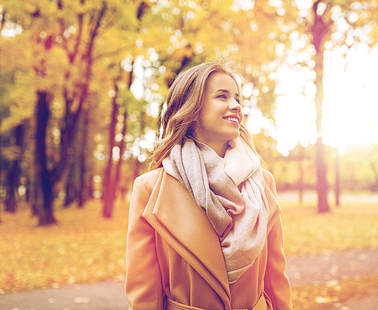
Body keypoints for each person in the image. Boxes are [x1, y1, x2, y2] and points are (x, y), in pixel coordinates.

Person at [125, 60, 292, 310]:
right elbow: (144, 294)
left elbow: (275, 278)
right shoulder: (150, 188)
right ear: (191, 108)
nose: (235, 105)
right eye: (222, 97)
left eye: (237, 98)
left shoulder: (262, 182)